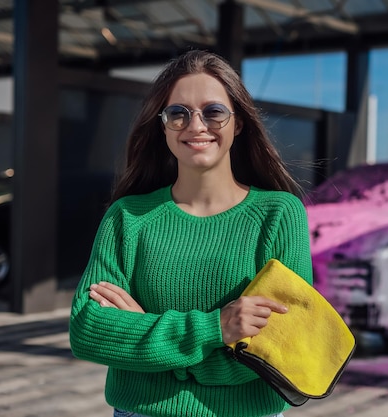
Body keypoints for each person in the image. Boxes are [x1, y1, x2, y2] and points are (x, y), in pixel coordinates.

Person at [69, 50, 313, 417]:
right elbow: (88, 328)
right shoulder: (128, 217)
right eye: (178, 113)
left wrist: (149, 337)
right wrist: (216, 327)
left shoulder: (278, 215)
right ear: (163, 125)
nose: (196, 125)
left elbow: (282, 346)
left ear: (239, 122)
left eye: (213, 112)